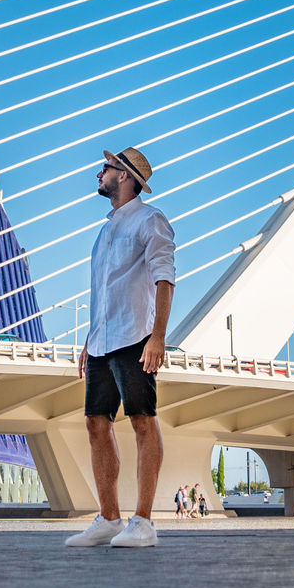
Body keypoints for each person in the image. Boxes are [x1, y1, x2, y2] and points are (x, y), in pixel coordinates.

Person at [65, 148, 177, 551]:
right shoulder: (105, 230)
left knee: (142, 421)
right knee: (96, 423)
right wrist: (89, 340)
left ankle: (143, 522)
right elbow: (103, 294)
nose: (100, 172)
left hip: (135, 338)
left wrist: (158, 335)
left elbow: (165, 279)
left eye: (107, 168)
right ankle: (109, 519)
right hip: (101, 342)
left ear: (125, 177)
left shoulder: (151, 220)